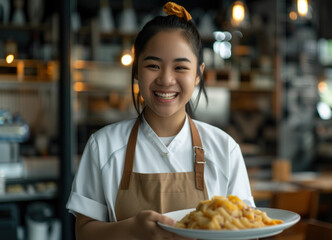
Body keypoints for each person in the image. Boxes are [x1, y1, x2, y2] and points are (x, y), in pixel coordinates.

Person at [66, 2, 255, 240]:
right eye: (153, 65)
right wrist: (131, 230)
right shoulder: (103, 146)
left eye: (180, 67)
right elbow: (84, 232)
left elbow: (249, 229)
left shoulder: (224, 149)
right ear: (136, 70)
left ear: (198, 74)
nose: (166, 80)